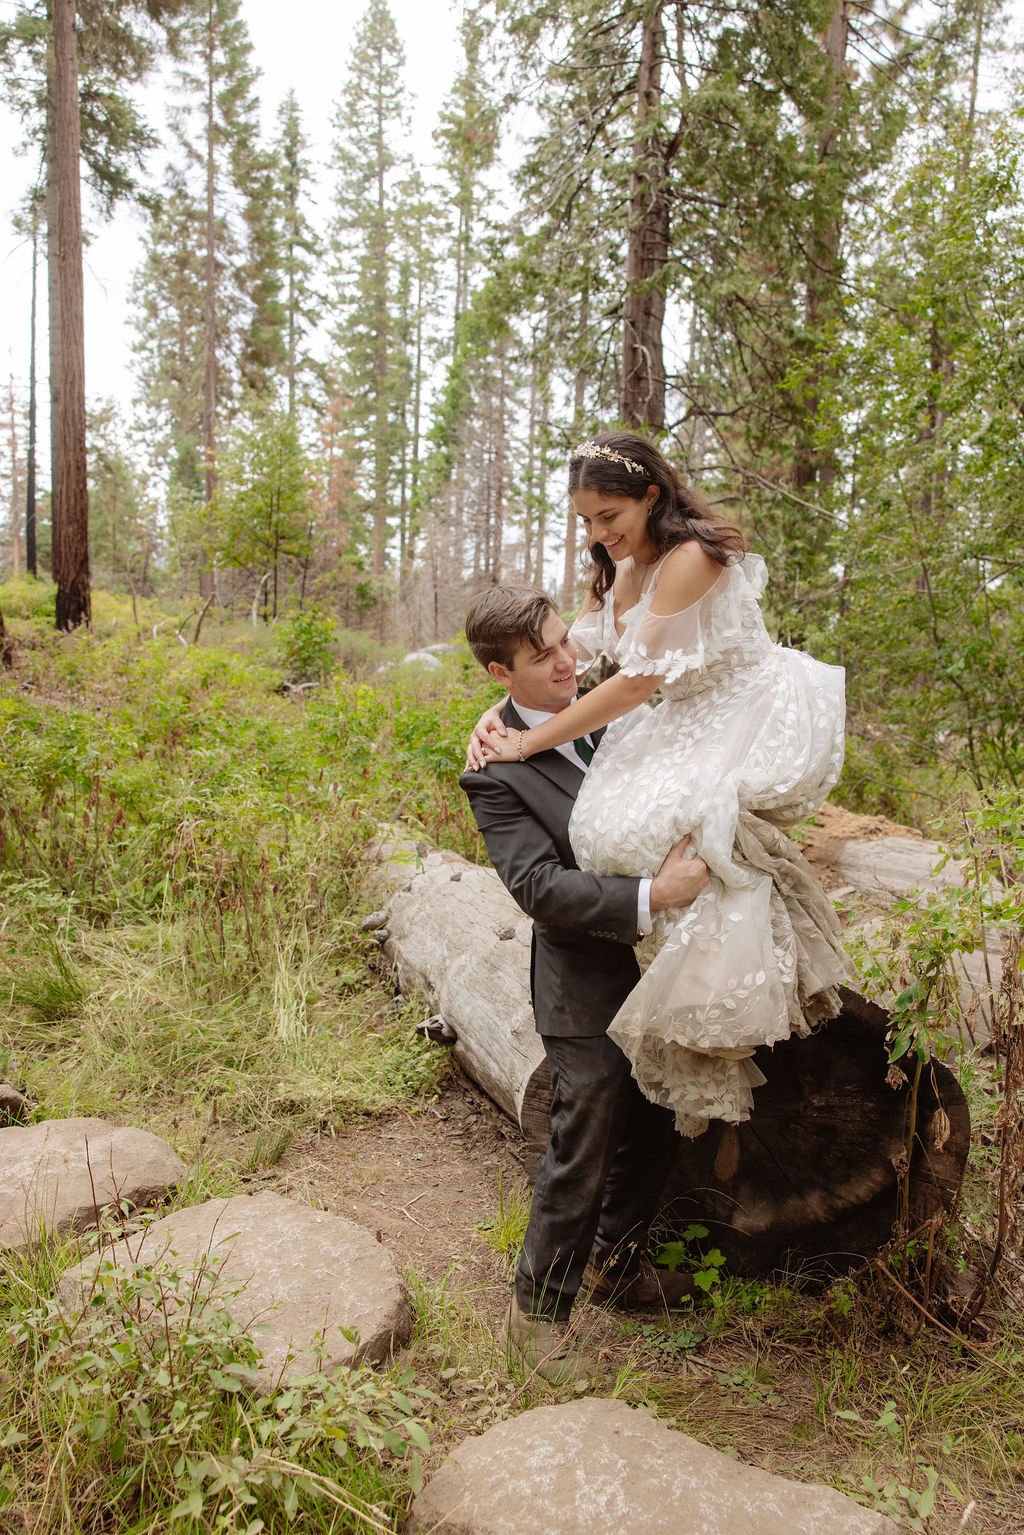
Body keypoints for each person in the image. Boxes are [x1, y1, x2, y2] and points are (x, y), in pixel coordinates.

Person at [468, 431, 848, 1138]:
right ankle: (657, 968)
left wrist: (526, 740)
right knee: (599, 831)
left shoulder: (690, 558)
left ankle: (713, 1002)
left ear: (651, 495)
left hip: (741, 706)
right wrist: (496, 713)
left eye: (609, 514)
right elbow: (572, 651)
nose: (598, 531)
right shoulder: (618, 567)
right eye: (585, 519)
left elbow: (636, 680)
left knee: (658, 827)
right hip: (681, 717)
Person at [460, 584, 711, 1385]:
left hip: (665, 962)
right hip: (583, 975)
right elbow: (539, 888)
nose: (569, 661)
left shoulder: (601, 693)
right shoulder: (494, 770)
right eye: (544, 656)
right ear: (501, 670)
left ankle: (617, 1264)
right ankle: (536, 1308)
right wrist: (652, 896)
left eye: (566, 641)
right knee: (588, 1125)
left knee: (665, 1108)